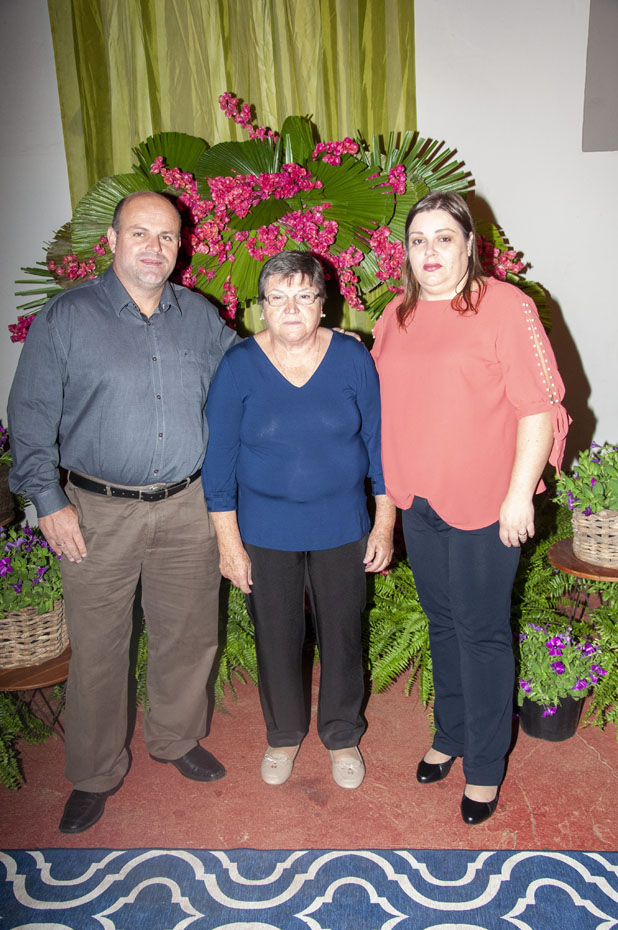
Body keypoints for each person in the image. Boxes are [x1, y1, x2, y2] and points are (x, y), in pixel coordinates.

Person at [8, 191, 240, 833]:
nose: (153, 247)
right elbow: (30, 414)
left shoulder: (200, 317)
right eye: (140, 233)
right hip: (96, 512)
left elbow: (251, 376)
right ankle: (94, 773)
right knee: (99, 648)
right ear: (111, 241)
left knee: (189, 635)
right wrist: (48, 502)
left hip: (187, 507)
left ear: (180, 247)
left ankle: (176, 738)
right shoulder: (67, 317)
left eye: (166, 236)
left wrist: (318, 344)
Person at [372, 192, 569, 825]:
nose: (429, 251)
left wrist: (519, 494)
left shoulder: (506, 306)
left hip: (488, 500)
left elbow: (540, 407)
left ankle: (484, 766)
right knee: (441, 622)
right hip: (421, 499)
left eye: (444, 238)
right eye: (418, 240)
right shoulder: (396, 315)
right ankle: (450, 733)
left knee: (481, 633)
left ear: (469, 246)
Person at [202, 251, 395, 790]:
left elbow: (380, 446)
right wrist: (229, 544)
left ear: (322, 304)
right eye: (278, 297)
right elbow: (218, 465)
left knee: (343, 634)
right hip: (265, 531)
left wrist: (383, 523)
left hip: (342, 525)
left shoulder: (353, 358)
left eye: (304, 296)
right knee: (276, 636)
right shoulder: (238, 366)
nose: (291, 308)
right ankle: (283, 734)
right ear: (261, 307)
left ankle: (342, 735)